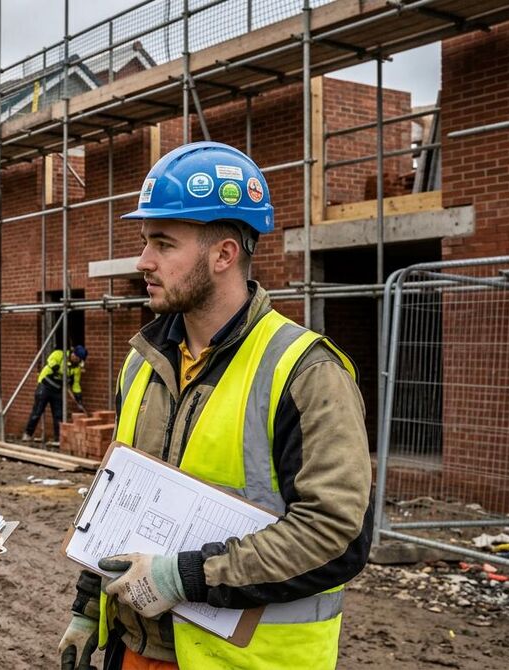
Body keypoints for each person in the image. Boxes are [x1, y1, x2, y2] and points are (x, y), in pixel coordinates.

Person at [59, 141, 372, 670]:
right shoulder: (143, 363)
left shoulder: (305, 372)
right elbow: (123, 502)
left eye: (163, 243)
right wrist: (89, 606)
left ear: (223, 254)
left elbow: (334, 535)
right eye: (145, 242)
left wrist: (186, 577)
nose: (143, 262)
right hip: (136, 652)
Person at [20, 344, 87, 443]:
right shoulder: (59, 355)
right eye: (76, 357)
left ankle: (58, 439)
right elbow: (51, 361)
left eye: (79, 359)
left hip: (57, 390)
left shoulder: (76, 369)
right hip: (45, 385)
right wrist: (56, 367)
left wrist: (78, 397)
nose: (76, 360)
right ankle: (27, 434)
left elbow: (76, 384)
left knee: (58, 415)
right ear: (73, 353)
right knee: (37, 411)